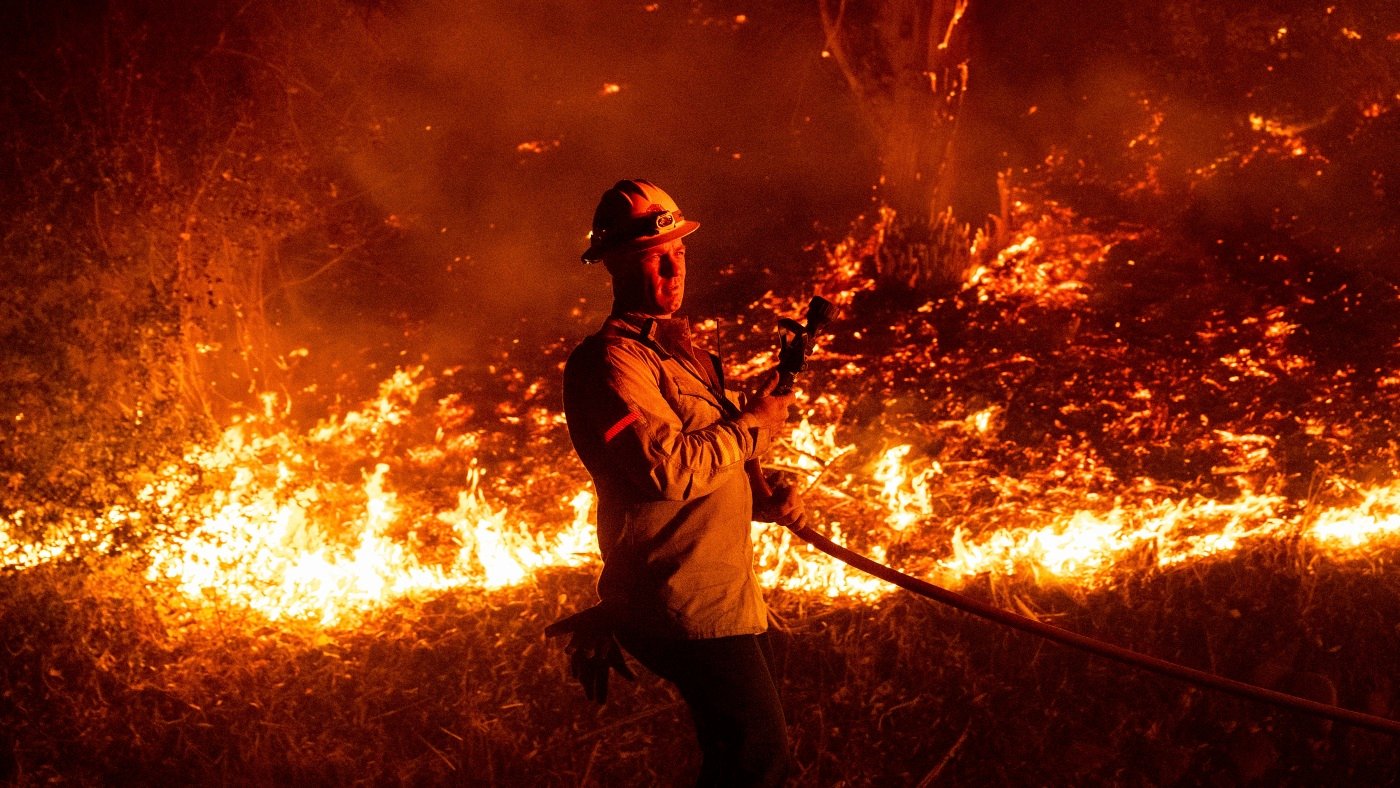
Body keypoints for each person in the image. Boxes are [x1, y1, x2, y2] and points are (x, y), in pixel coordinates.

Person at [550, 179, 803, 786]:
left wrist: (762, 497)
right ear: (613, 265)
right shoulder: (611, 363)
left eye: (678, 253)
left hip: (727, 593)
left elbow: (707, 465)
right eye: (650, 257)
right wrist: (755, 428)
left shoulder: (682, 350)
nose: (670, 268)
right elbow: (667, 471)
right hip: (682, 603)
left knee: (745, 760)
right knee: (758, 768)